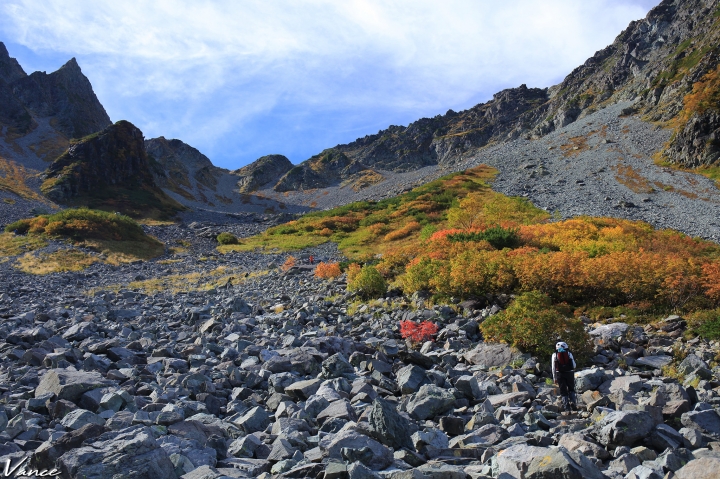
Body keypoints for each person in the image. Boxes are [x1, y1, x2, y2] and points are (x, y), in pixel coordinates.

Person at [551, 341, 577, 412]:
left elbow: (553, 368)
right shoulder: (569, 354)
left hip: (560, 374)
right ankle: (573, 402)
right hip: (570, 373)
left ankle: (567, 408)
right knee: (571, 389)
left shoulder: (554, 355)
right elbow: (574, 365)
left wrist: (555, 378)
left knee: (563, 391)